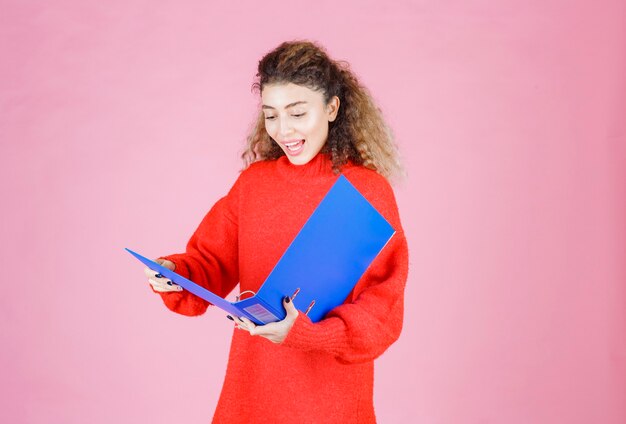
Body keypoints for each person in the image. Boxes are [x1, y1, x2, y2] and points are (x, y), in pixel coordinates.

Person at [144, 40, 409, 423]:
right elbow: (209, 261)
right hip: (250, 393)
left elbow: (382, 309)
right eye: (271, 115)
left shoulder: (366, 192)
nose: (283, 130)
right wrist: (174, 273)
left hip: (329, 402)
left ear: (332, 108)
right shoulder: (254, 184)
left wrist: (307, 334)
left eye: (297, 113)